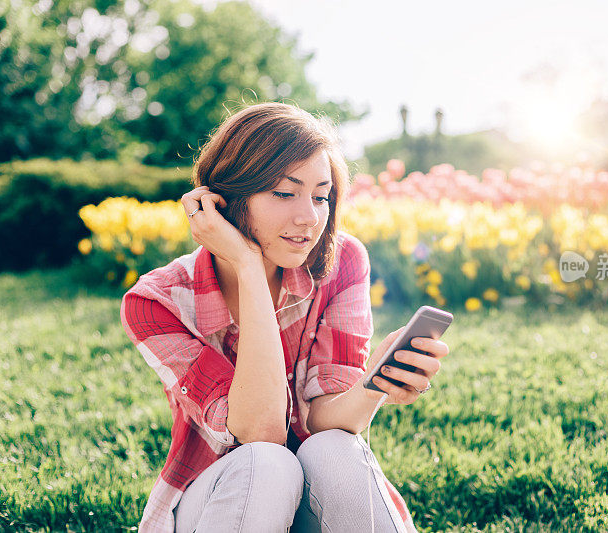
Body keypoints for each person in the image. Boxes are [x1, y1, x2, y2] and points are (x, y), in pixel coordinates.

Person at [120, 102, 450, 532]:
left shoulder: (342, 260)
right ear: (224, 199)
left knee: (333, 448)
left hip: (318, 502)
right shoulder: (157, 302)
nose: (309, 218)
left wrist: (372, 385)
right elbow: (260, 430)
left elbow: (322, 417)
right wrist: (247, 264)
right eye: (283, 192)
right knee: (267, 462)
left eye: (320, 196)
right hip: (220, 502)